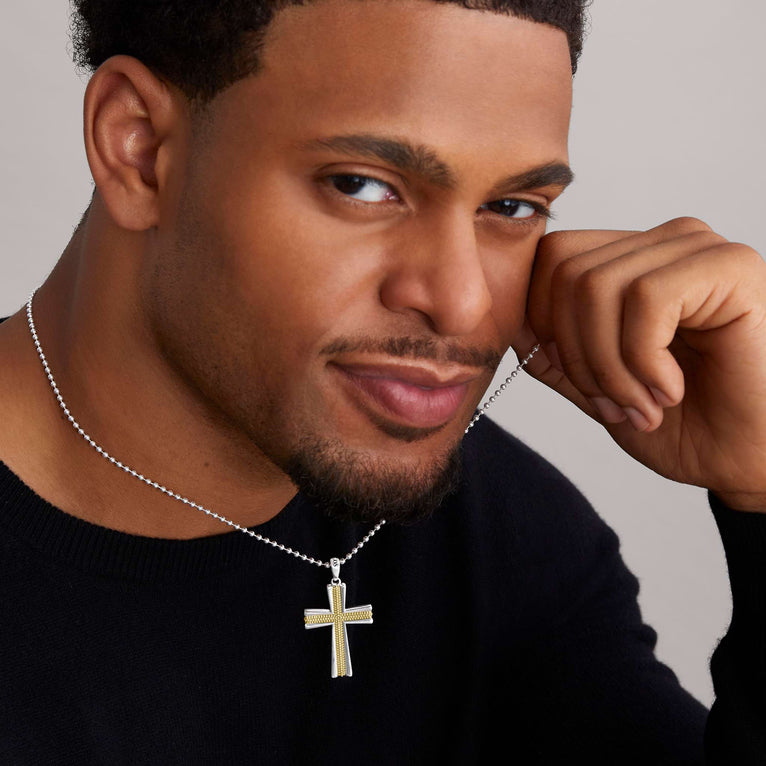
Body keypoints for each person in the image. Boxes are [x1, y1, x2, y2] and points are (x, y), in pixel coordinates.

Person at [0, 0, 764, 762]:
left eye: (511, 206)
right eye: (363, 186)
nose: (463, 301)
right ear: (138, 147)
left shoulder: (502, 537)